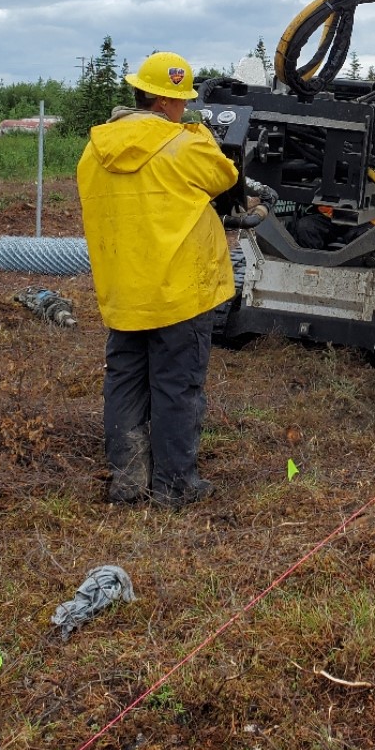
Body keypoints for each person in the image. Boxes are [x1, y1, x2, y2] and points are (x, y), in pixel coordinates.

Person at [77, 51, 240, 507]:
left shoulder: (96, 148)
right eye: (182, 102)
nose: (185, 109)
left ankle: (128, 482)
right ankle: (174, 486)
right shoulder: (185, 144)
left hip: (124, 293)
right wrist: (197, 132)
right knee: (176, 386)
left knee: (124, 382)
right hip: (179, 292)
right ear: (167, 102)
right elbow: (226, 176)